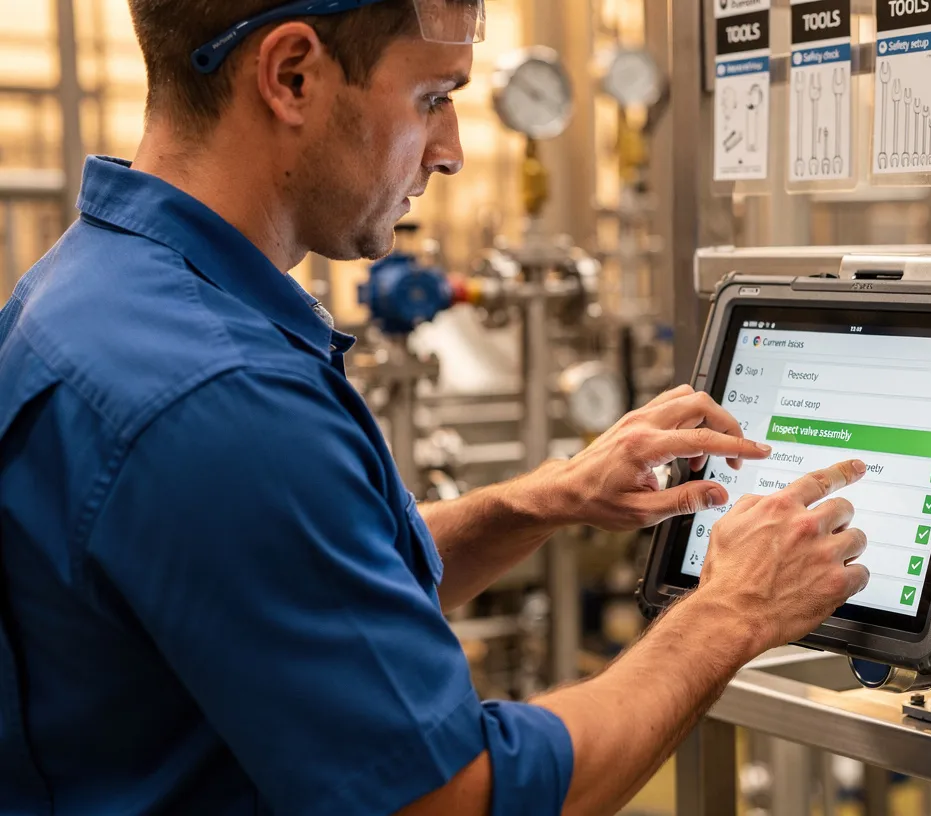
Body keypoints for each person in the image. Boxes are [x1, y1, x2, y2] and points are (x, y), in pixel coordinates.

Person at [0, 1, 872, 814]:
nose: (450, 150)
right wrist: (730, 613)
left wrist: (544, 498)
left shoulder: (90, 290)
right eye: (431, 97)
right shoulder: (221, 396)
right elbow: (452, 798)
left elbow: (313, 587)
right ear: (292, 75)